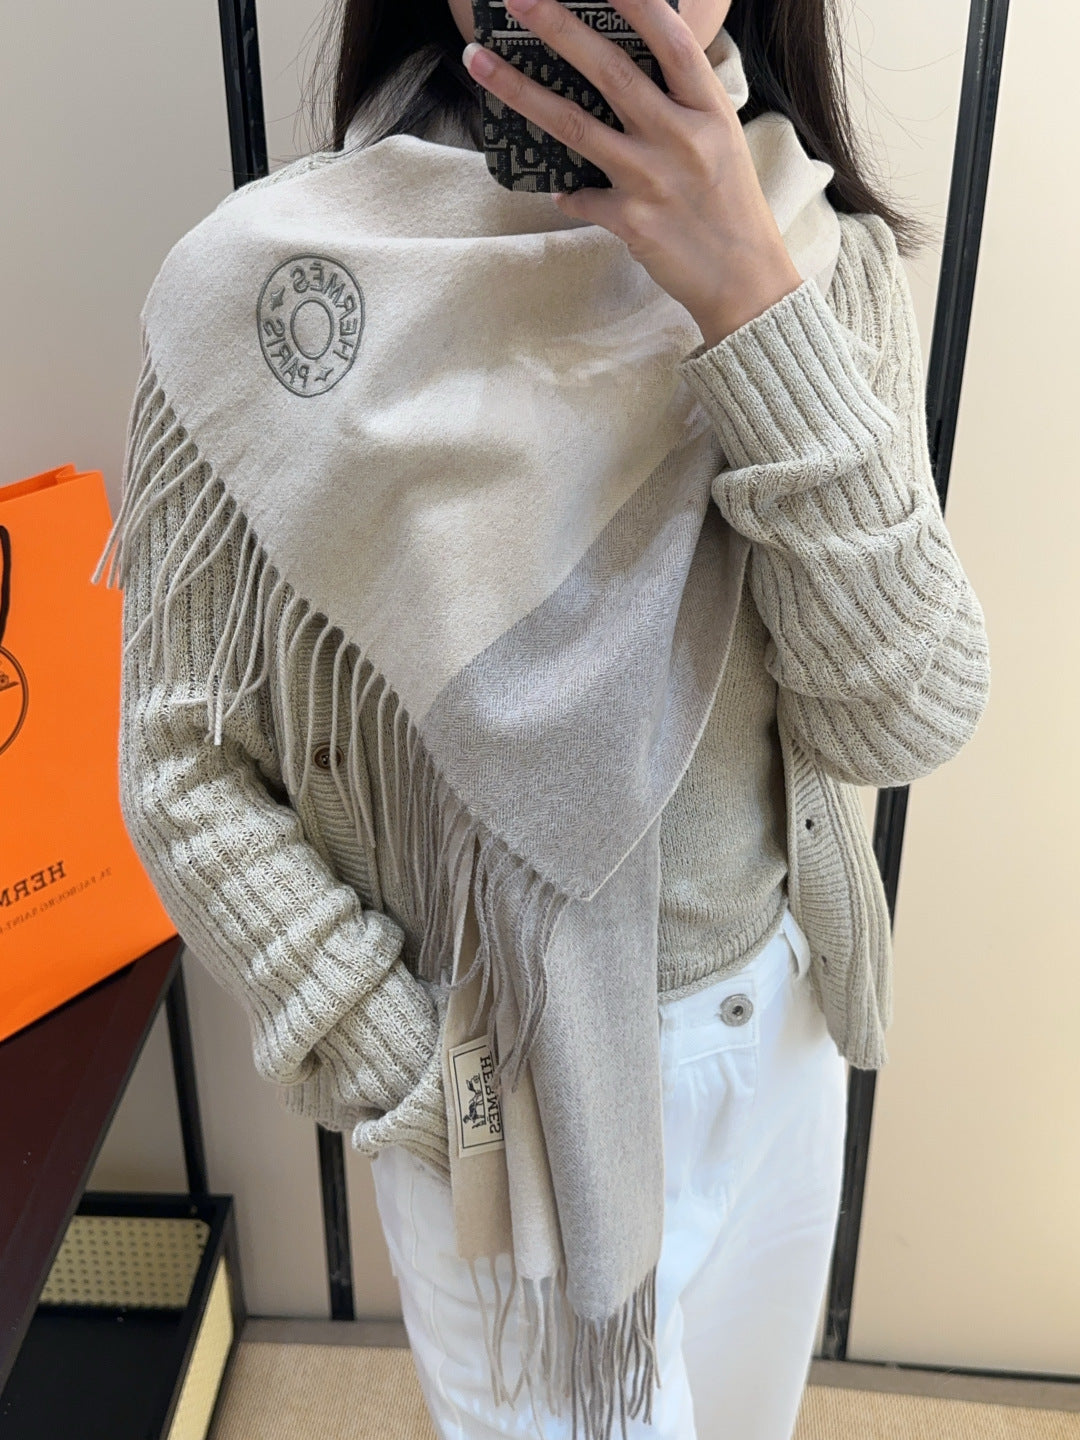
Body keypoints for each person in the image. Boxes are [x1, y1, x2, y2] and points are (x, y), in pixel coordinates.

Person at [93, 1, 991, 1438]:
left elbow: (901, 721)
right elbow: (179, 761)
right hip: (497, 1091)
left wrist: (754, 311)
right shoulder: (272, 298)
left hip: (779, 1039)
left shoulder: (817, 255)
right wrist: (410, 1073)